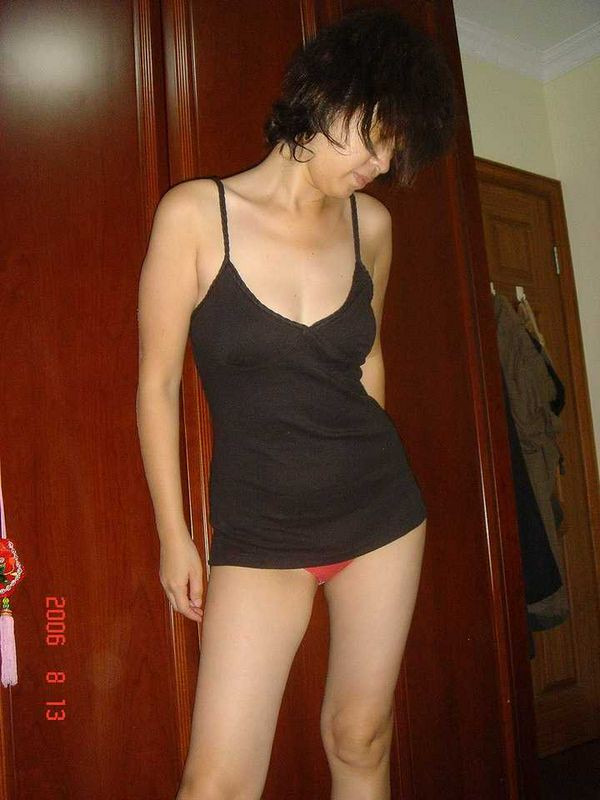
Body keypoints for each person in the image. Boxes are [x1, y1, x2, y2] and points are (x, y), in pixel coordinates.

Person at [136, 7, 457, 799]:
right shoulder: (196, 215)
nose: (383, 164)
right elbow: (158, 384)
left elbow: (367, 357)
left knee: (361, 737)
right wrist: (175, 537)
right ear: (327, 96)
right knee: (216, 781)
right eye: (377, 137)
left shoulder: (372, 226)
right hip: (262, 530)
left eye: (396, 150)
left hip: (380, 514)